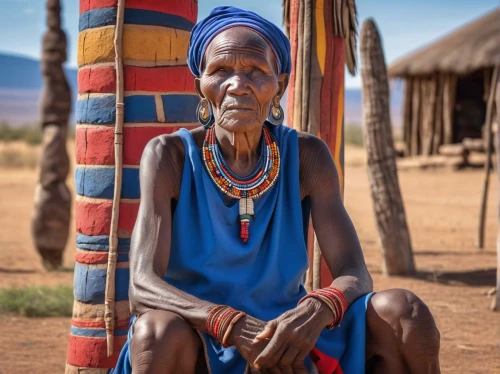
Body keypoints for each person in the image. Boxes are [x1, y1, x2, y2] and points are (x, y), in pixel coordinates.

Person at [111, 6, 440, 374]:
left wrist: (317, 309)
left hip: (289, 330)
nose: (238, 84)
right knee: (156, 330)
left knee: (405, 313)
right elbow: (142, 285)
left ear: (279, 85)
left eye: (256, 71)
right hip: (201, 335)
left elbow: (354, 271)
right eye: (220, 71)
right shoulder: (169, 156)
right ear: (199, 86)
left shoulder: (307, 156)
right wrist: (229, 324)